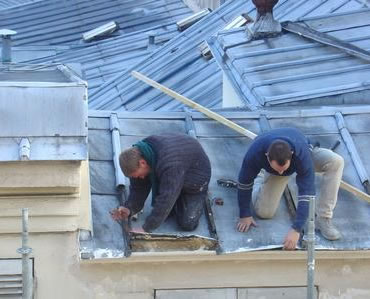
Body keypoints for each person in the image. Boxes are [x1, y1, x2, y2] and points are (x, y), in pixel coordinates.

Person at [237, 127, 344, 250]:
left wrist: (296, 228)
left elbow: (307, 192)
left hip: (302, 152)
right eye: (279, 169)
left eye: (283, 168)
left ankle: (324, 218)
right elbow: (244, 183)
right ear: (267, 156)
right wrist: (244, 214)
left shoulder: (301, 154)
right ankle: (261, 176)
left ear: (291, 154)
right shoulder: (255, 152)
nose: (281, 172)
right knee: (264, 213)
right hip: (271, 169)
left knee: (336, 161)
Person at [111, 134, 211, 233]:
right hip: (175, 172)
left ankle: (195, 195)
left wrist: (146, 228)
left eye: (138, 175)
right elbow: (139, 187)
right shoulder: (140, 154)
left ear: (142, 163)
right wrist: (129, 208)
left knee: (187, 223)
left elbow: (167, 198)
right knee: (164, 209)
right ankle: (175, 190)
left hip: (194, 181)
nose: (140, 178)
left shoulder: (170, 164)